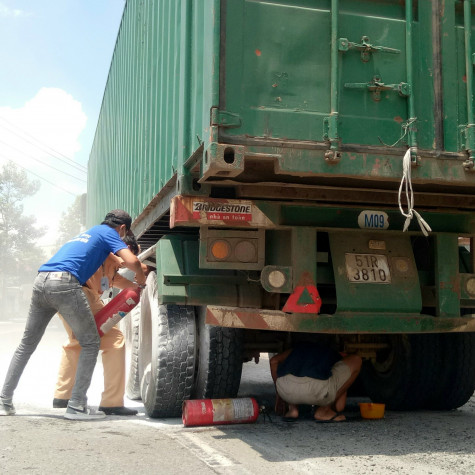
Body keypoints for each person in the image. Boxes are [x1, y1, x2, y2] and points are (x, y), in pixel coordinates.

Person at [0, 210, 147, 420]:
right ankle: (76, 405)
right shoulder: (110, 234)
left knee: (27, 344)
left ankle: (4, 401)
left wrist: (133, 283)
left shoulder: (89, 234)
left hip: (41, 280)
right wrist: (141, 278)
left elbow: (115, 275)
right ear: (122, 228)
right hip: (65, 284)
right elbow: (132, 262)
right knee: (90, 342)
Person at [53, 232, 148, 416]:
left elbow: (118, 281)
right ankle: (111, 402)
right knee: (115, 340)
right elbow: (137, 266)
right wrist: (143, 271)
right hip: (82, 294)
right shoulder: (111, 253)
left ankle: (63, 395)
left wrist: (137, 288)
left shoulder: (103, 260)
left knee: (75, 342)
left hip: (64, 292)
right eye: (131, 252)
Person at [270, 342, 362, 422]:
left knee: (294, 372)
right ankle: (324, 410)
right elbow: (339, 407)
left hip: (286, 392)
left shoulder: (296, 349)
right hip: (317, 390)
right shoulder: (331, 352)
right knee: (356, 360)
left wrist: (280, 396)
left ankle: (293, 410)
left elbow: (273, 361)